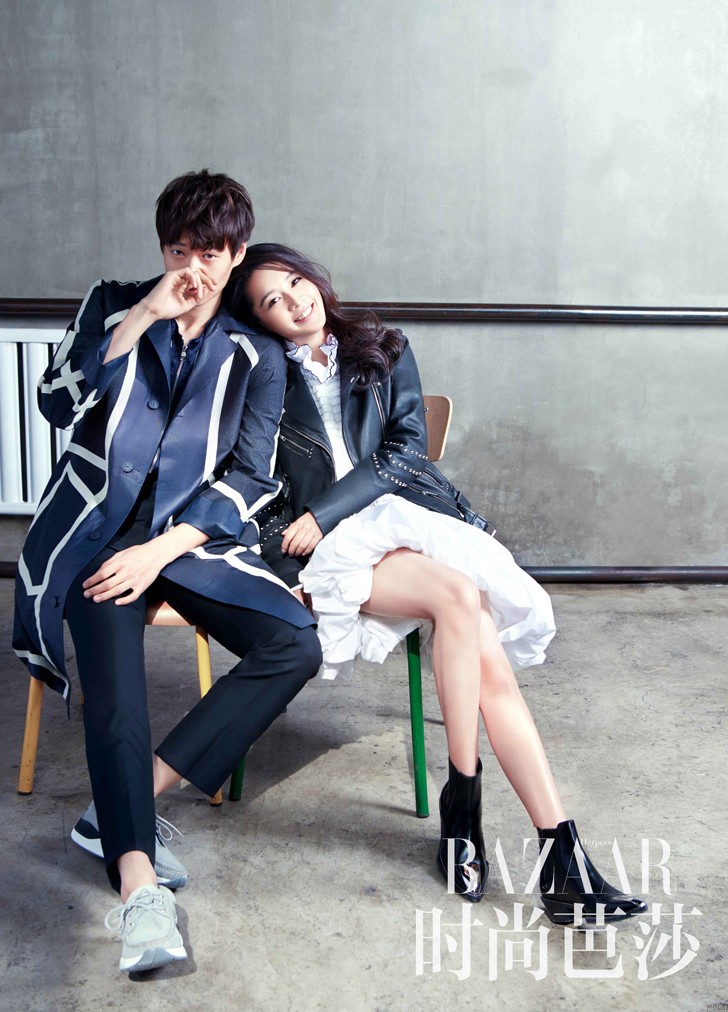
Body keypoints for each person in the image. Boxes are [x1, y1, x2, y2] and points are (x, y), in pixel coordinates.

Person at [225, 242, 648, 925]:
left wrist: (323, 509)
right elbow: (249, 474)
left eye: (297, 282)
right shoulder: (260, 374)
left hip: (400, 519)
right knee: (461, 598)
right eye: (273, 300)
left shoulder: (383, 347)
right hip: (328, 549)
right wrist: (299, 531)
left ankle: (543, 847)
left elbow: (405, 450)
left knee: (476, 627)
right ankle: (484, 816)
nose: (295, 302)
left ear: (315, 279)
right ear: (260, 319)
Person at [13, 177, 321, 974]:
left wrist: (159, 551)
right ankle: (140, 889)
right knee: (118, 693)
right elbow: (55, 404)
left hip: (187, 539)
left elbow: (252, 476)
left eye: (209, 252)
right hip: (92, 533)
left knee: (294, 644)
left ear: (237, 253)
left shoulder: (256, 352)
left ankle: (123, 807)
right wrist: (142, 316)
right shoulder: (112, 304)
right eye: (178, 249)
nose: (192, 266)